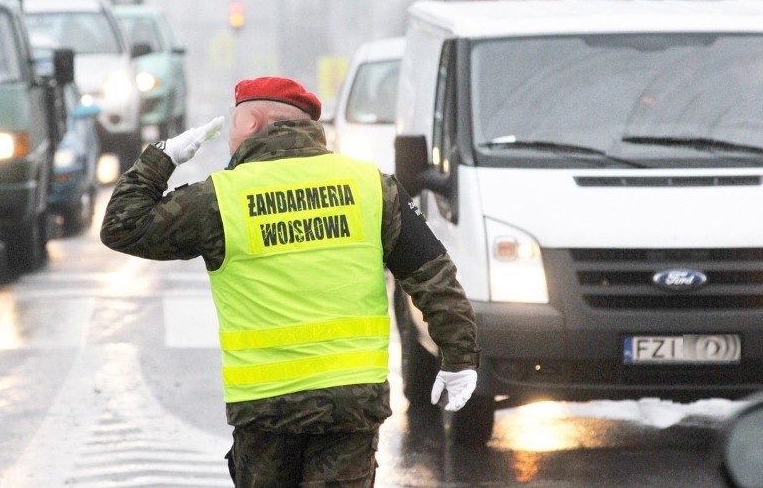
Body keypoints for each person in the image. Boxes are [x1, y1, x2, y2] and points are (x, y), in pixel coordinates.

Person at [100, 76, 480, 487]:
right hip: (350, 402)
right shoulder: (370, 185)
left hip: (266, 407)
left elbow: (124, 225)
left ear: (250, 124)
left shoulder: (222, 199)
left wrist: (162, 158)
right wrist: (460, 355)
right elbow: (432, 275)